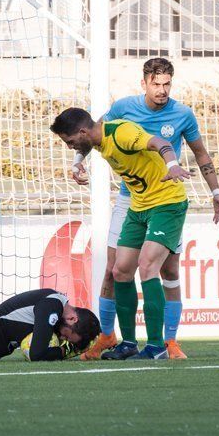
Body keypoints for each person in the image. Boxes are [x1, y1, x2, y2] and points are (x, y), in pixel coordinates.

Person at [70, 58, 219, 360]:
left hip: (166, 193)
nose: (162, 90)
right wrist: (77, 161)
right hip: (131, 198)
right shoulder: (124, 108)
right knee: (116, 270)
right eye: (156, 84)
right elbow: (89, 132)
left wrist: (215, 191)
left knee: (167, 269)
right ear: (144, 83)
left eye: (167, 84)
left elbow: (201, 153)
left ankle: (168, 342)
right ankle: (109, 336)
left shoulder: (182, 114)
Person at [51, 108, 191, 360]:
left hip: (167, 203)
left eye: (70, 142)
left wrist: (172, 164)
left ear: (83, 131)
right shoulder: (96, 136)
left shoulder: (122, 133)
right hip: (139, 207)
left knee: (148, 266)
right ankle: (128, 343)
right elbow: (85, 146)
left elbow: (160, 142)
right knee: (120, 271)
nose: (72, 146)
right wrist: (77, 162)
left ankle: (158, 346)